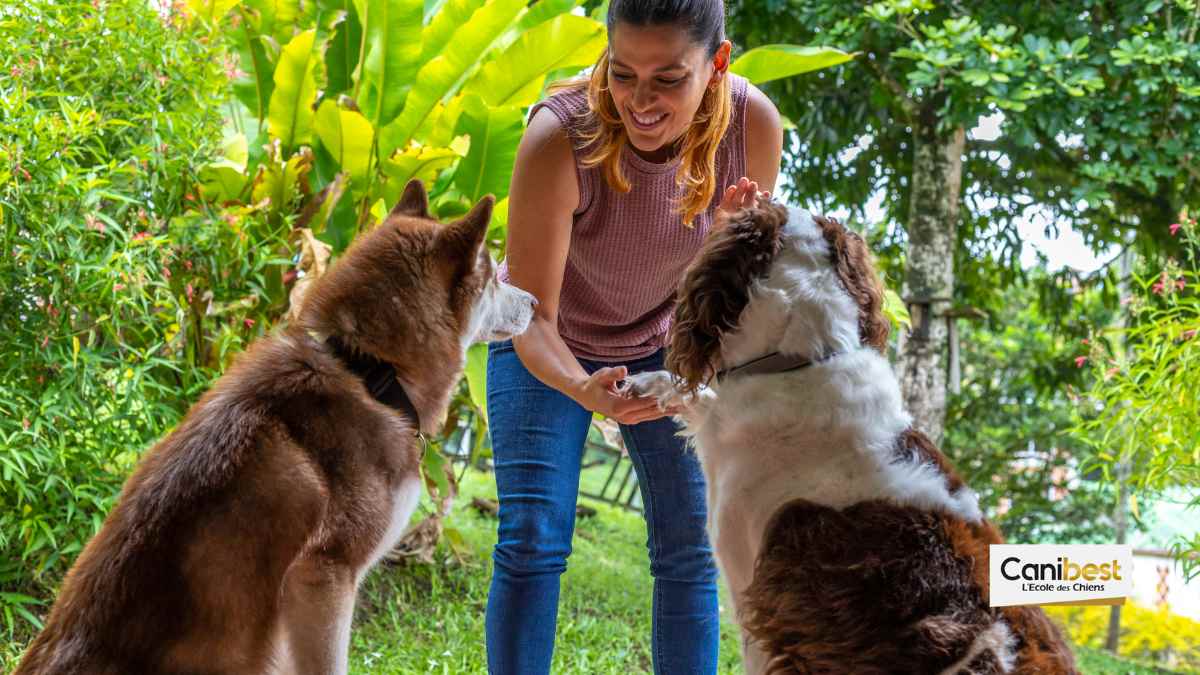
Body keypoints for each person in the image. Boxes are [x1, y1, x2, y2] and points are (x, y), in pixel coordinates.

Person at [484, 0, 783, 672]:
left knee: (690, 545)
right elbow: (530, 314)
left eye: (668, 79)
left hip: (665, 338)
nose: (640, 102)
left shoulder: (752, 125)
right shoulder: (559, 138)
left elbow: (725, 299)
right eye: (624, 74)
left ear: (718, 64)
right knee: (532, 537)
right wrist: (581, 388)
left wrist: (727, 241)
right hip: (547, 336)